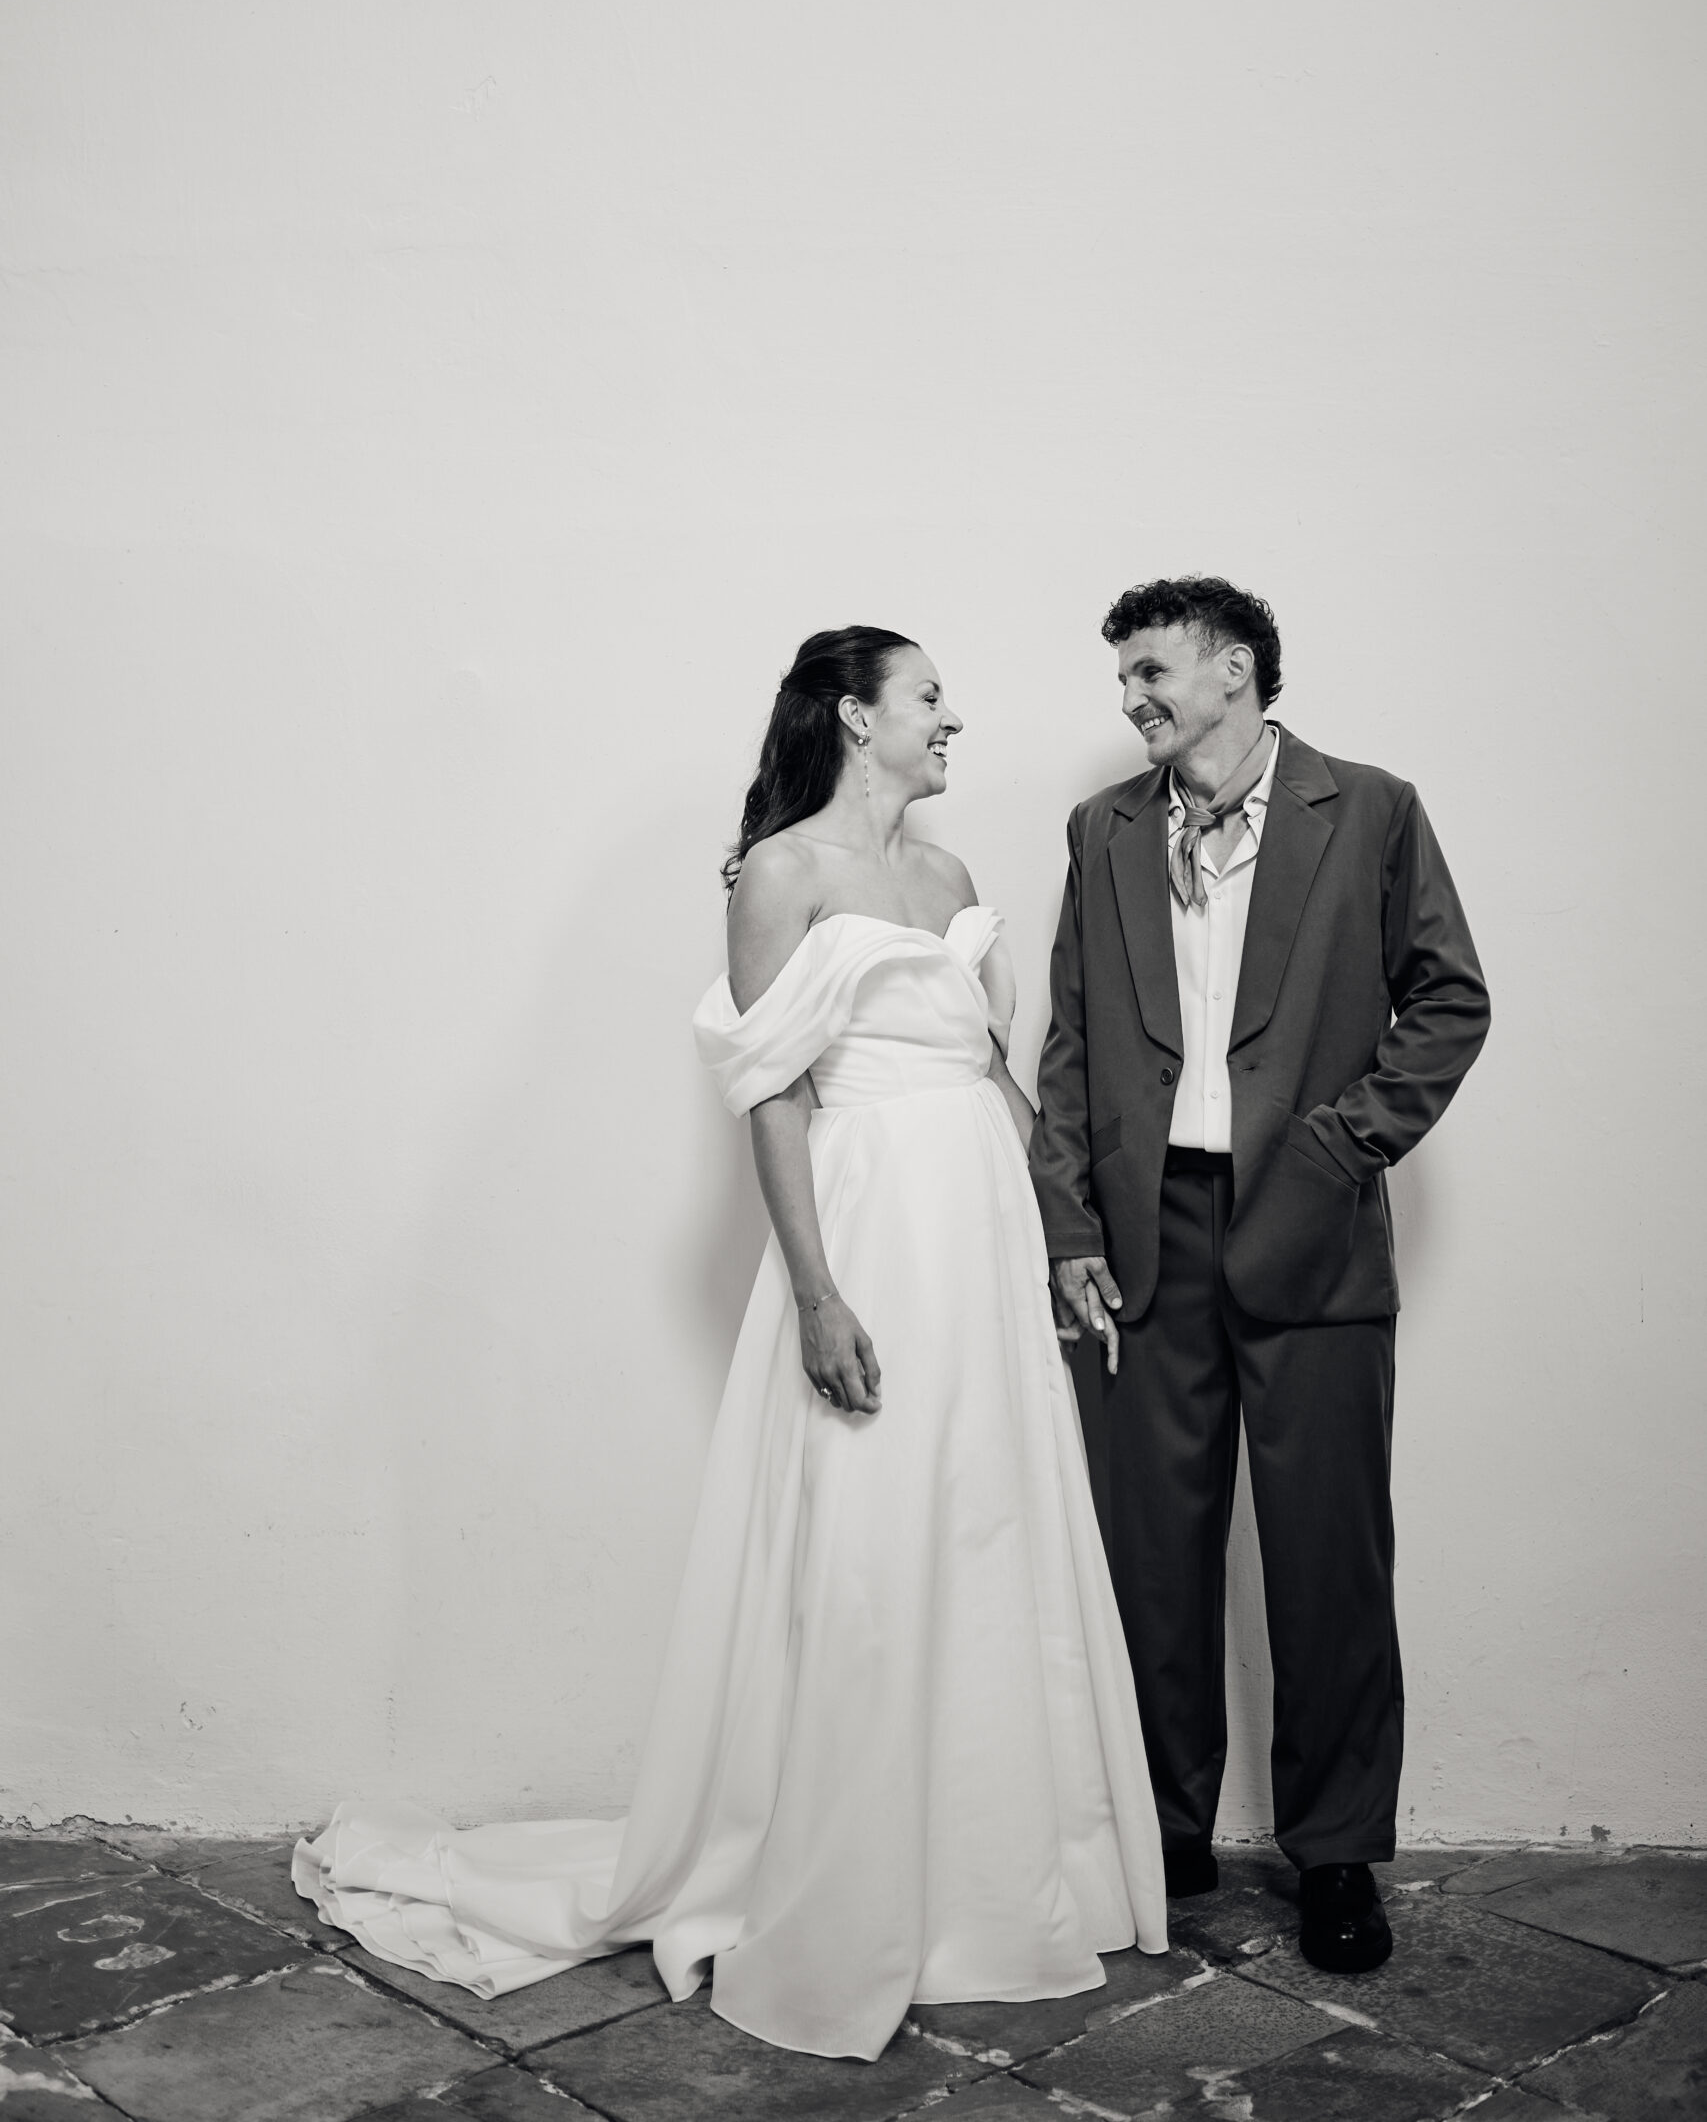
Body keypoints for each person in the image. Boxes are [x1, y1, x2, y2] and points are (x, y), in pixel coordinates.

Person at [295, 625, 1167, 2061]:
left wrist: (1063, 1238)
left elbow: (994, 1078)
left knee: (988, 1524)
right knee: (871, 1546)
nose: (952, 719)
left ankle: (989, 1875)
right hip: (874, 1228)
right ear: (856, 717)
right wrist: (819, 1295)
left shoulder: (952, 878)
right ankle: (852, 1884)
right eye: (929, 697)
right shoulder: (781, 874)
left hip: (983, 1238)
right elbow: (771, 1094)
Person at [1030, 577, 1490, 1976]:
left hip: (1312, 1227)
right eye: (1124, 677)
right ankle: (1164, 1829)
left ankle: (1336, 1850)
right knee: (1151, 1556)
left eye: (1152, 670)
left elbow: (1451, 998)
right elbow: (1071, 1041)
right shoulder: (1104, 829)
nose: (1132, 698)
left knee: (1329, 1556)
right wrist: (1070, 1228)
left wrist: (1343, 1145)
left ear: (1234, 670)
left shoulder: (1374, 809)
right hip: (1146, 1234)